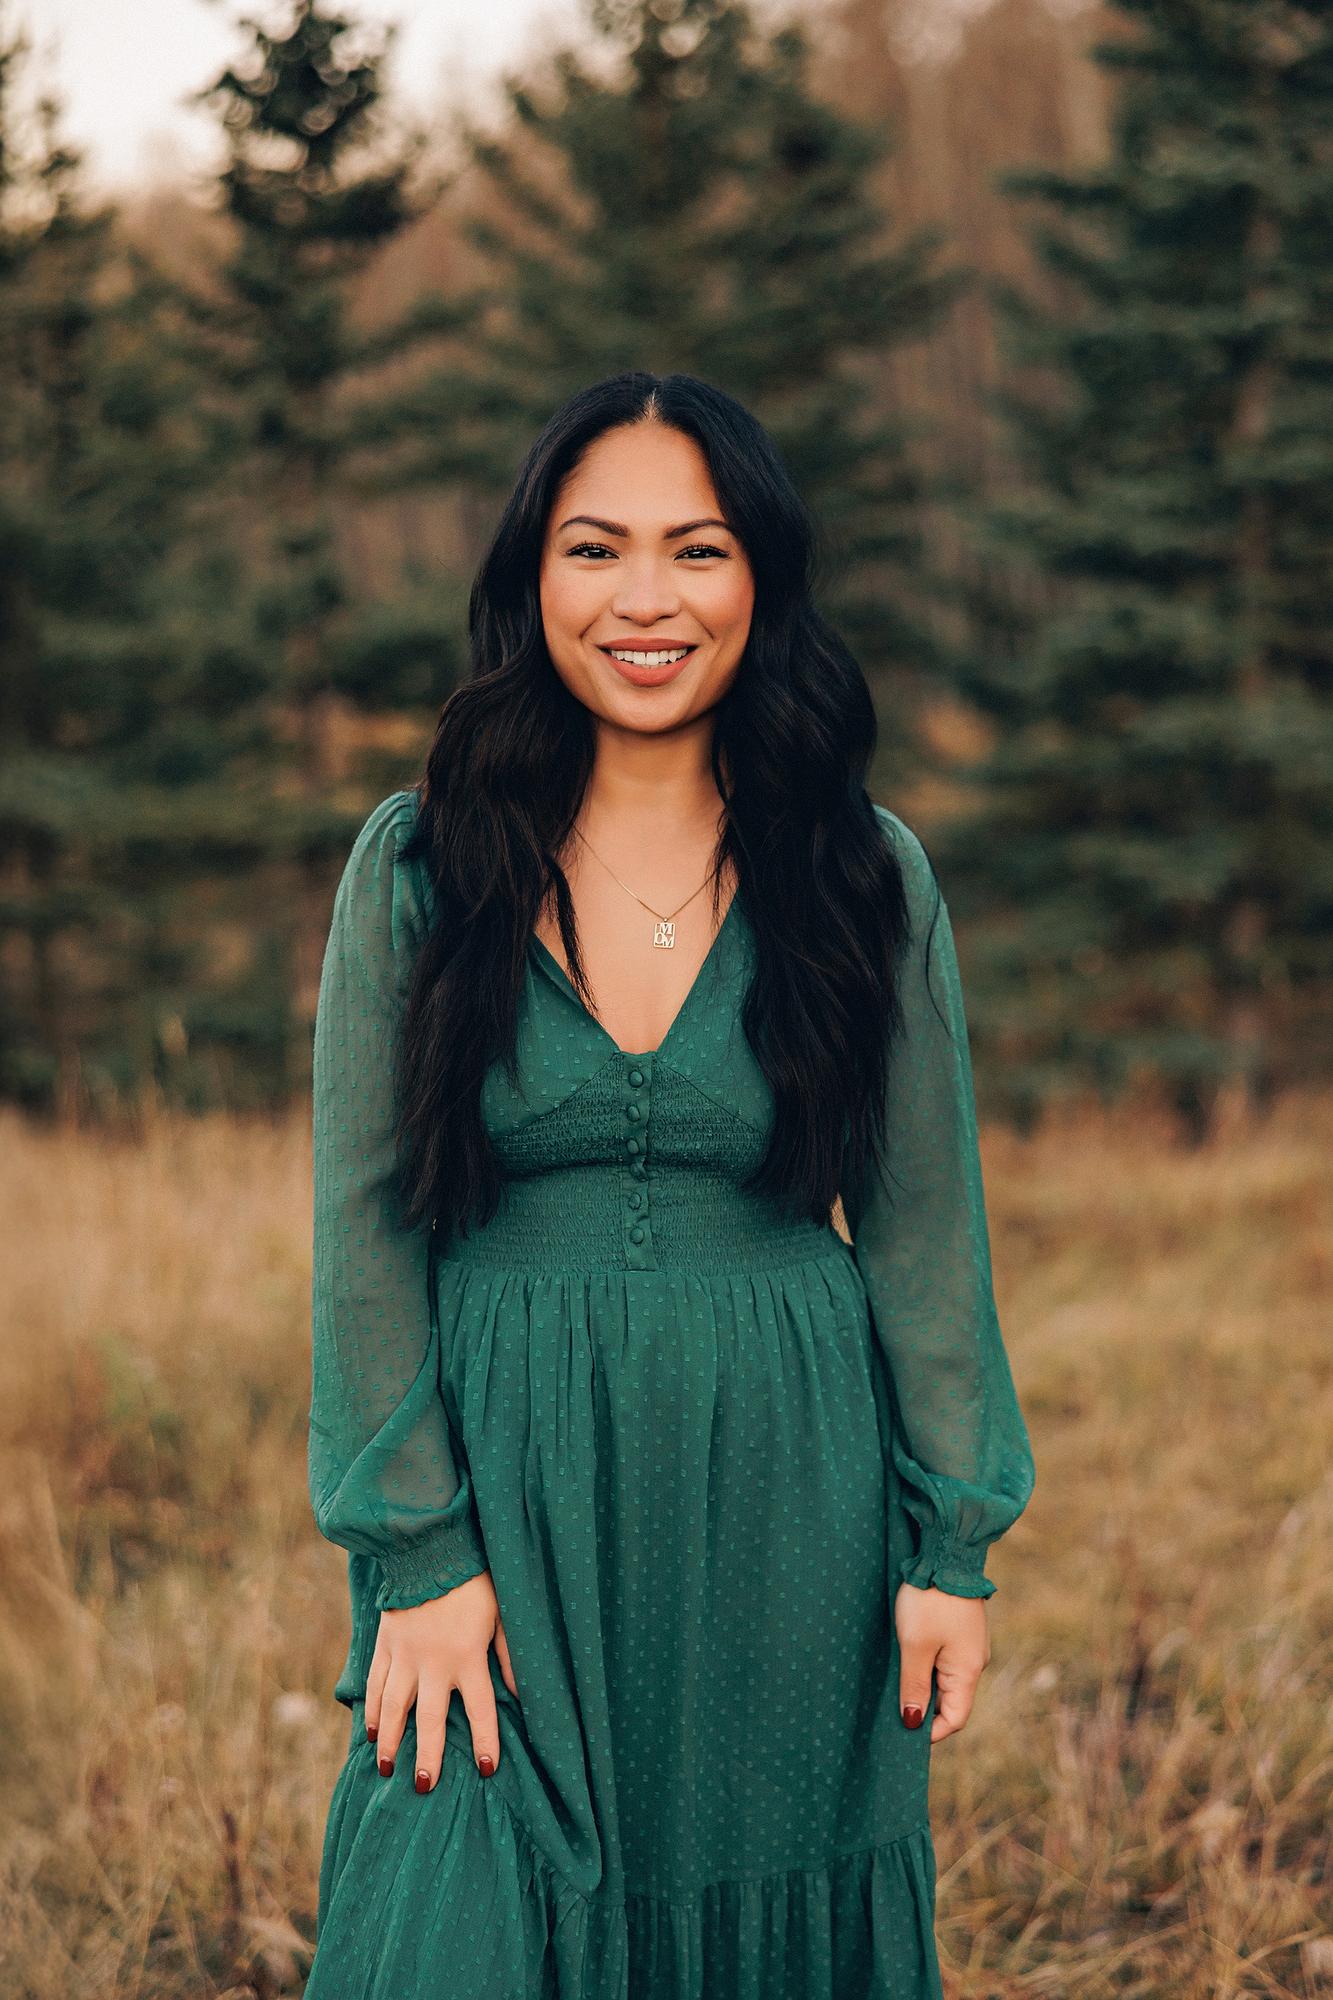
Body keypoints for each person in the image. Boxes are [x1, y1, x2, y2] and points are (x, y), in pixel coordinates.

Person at [302, 371, 1036, 2000]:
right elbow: (360, 1234)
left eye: (694, 550)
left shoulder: (862, 869)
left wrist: (950, 1546)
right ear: (530, 578)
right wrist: (414, 1559)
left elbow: (923, 1232)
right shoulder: (422, 864)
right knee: (447, 1930)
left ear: (759, 577)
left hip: (793, 1504)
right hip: (505, 1498)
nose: (645, 600)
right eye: (594, 548)